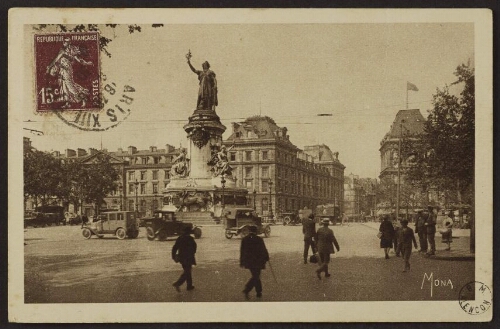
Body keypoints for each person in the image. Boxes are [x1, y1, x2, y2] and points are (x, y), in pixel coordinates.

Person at [46, 37, 93, 109]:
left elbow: (78, 59)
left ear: (69, 43)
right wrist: (50, 66)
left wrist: (86, 63)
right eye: (64, 41)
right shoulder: (62, 50)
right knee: (64, 86)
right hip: (62, 70)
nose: (64, 43)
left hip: (67, 70)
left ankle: (83, 99)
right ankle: (68, 103)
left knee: (70, 86)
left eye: (66, 42)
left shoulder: (72, 50)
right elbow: (56, 60)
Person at [240, 225, 270, 299]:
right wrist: (267, 257)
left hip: (249, 261)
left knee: (256, 276)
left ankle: (258, 292)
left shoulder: (244, 239)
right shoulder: (259, 239)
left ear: (249, 231)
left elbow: (242, 251)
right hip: (258, 261)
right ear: (256, 231)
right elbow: (263, 249)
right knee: (256, 276)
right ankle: (248, 289)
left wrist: (242, 261)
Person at [172, 226, 197, 292]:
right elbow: (194, 247)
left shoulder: (180, 238)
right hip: (188, 257)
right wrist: (192, 253)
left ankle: (189, 286)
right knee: (187, 271)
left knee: (187, 270)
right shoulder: (190, 238)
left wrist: (173, 256)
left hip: (181, 257)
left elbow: (175, 247)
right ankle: (178, 283)